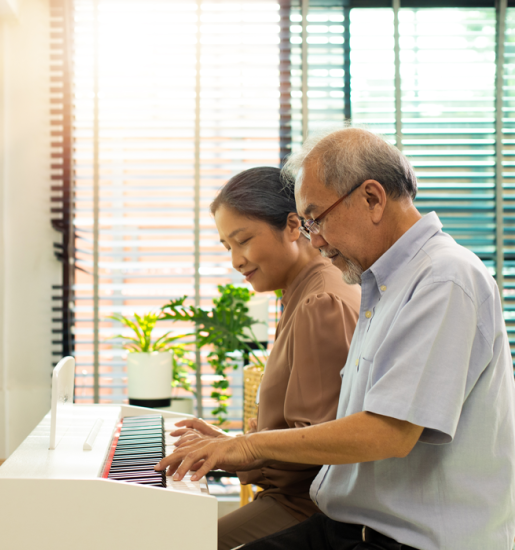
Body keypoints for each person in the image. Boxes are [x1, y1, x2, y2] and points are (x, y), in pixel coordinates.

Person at [156, 128, 515, 550]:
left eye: (316, 219)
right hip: (347, 525)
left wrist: (249, 448)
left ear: (372, 199)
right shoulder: (381, 283)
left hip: (407, 541)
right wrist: (239, 445)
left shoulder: (444, 279)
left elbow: (388, 433)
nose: (316, 240)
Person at [170, 166, 360, 550]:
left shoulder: (319, 301)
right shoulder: (302, 292)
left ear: (293, 226)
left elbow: (322, 451)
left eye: (243, 241)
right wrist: (230, 446)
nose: (236, 261)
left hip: (308, 509)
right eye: (227, 247)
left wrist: (240, 451)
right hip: (293, 499)